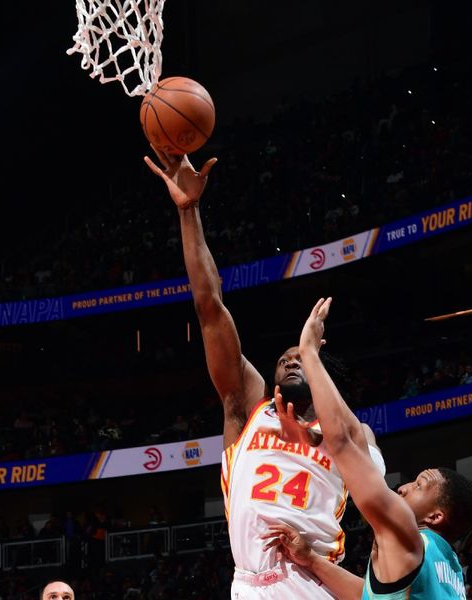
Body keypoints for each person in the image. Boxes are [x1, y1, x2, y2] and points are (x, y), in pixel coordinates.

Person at [145, 150, 384, 599]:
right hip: (249, 584)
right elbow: (210, 307)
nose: (291, 360)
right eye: (284, 359)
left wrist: (316, 437)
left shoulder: (351, 436)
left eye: (302, 358)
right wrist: (188, 211)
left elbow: (374, 487)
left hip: (313, 579)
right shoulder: (247, 409)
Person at [262, 298, 472, 599]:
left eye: (419, 486)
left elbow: (342, 442)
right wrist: (311, 559)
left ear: (435, 516)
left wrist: (310, 354)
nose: (403, 488)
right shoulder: (449, 567)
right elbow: (368, 594)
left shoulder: (406, 534)